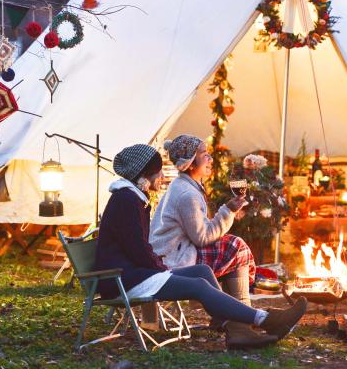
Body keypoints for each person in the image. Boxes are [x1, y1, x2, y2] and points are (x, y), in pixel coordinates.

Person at [93, 143, 308, 349]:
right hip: (125, 280)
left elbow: (137, 247)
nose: (162, 176)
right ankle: (265, 319)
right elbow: (138, 249)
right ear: (144, 175)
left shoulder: (133, 198)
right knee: (199, 286)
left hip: (136, 273)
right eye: (158, 172)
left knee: (202, 271)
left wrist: (158, 266)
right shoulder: (126, 200)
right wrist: (162, 268)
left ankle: (239, 331)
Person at [150, 135, 256, 309]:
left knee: (231, 246)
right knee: (236, 247)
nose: (210, 158)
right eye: (204, 154)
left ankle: (234, 313)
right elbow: (202, 237)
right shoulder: (187, 194)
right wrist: (228, 210)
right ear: (190, 163)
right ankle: (241, 313)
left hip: (172, 252)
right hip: (175, 260)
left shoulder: (183, 185)